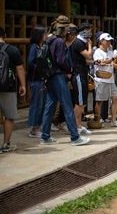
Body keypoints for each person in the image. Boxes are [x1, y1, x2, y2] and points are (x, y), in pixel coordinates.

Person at [40, 16, 90, 146]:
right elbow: (62, 61)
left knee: (49, 106)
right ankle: (75, 137)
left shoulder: (49, 40)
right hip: (58, 75)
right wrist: (69, 69)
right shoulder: (59, 42)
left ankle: (45, 136)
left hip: (49, 75)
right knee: (67, 105)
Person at [0, 27, 26, 152]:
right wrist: (23, 85)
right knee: (9, 116)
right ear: (4, 35)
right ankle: (6, 144)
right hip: (8, 86)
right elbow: (20, 68)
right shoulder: (12, 50)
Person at [93, 33, 117, 127]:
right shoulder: (97, 52)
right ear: (101, 41)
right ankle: (97, 120)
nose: (109, 42)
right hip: (101, 79)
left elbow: (114, 61)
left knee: (115, 98)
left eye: (110, 40)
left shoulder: (110, 52)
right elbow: (100, 63)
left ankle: (113, 120)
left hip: (111, 79)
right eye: (107, 40)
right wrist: (112, 59)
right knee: (99, 101)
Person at [70, 23, 94, 134]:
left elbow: (86, 60)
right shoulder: (78, 43)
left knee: (82, 102)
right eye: (88, 30)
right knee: (79, 102)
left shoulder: (81, 42)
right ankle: (76, 125)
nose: (90, 33)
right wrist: (90, 45)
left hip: (83, 73)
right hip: (78, 74)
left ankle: (79, 124)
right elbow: (88, 55)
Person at [26, 25, 48, 138]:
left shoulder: (42, 46)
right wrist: (40, 68)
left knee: (42, 103)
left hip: (41, 78)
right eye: (44, 34)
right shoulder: (34, 47)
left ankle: (38, 127)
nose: (46, 36)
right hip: (35, 79)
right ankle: (34, 128)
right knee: (37, 104)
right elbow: (30, 62)